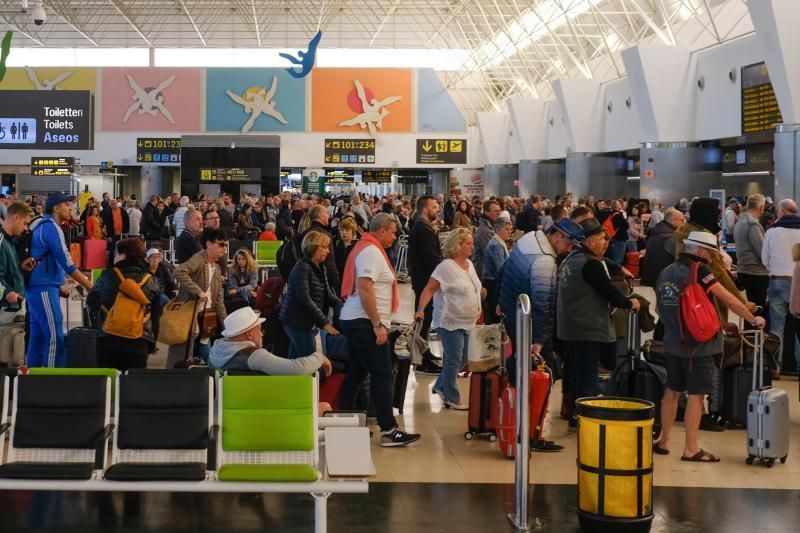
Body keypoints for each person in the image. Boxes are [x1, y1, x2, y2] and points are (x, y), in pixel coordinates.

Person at [654, 231, 765, 462]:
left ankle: (664, 441)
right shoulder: (700, 270)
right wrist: (752, 319)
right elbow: (727, 298)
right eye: (712, 253)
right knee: (696, 396)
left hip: (673, 341)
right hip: (698, 345)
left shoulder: (666, 271)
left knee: (671, 391)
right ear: (702, 251)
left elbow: (659, 309)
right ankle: (691, 448)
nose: (713, 258)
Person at [339, 213, 421, 447]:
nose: (395, 238)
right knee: (382, 373)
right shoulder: (371, 252)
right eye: (393, 233)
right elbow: (365, 289)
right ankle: (389, 429)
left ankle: (345, 422)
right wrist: (377, 324)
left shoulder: (368, 248)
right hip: (364, 322)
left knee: (356, 372)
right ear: (382, 230)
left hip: (356, 319)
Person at [557, 218, 640, 431]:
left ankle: (573, 413)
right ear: (591, 241)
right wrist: (629, 302)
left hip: (569, 327)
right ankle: (581, 418)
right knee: (586, 377)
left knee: (575, 373)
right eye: (603, 239)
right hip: (587, 329)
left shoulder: (570, 259)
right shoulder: (590, 264)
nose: (606, 243)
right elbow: (609, 292)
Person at [415, 228, 483, 410]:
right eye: (468, 243)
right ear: (457, 245)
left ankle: (440, 386)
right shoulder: (445, 267)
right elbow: (429, 288)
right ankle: (452, 398)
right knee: (453, 359)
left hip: (468, 321)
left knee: (463, 359)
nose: (472, 247)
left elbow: (474, 286)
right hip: (450, 321)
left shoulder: (469, 264)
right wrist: (421, 309)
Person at [27, 193, 94, 367]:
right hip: (43, 288)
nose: (70, 208)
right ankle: (51, 380)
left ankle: (32, 381)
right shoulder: (51, 227)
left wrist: (57, 286)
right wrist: (90, 285)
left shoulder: (42, 225)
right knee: (55, 338)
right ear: (56, 208)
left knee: (39, 338)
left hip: (39, 288)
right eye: (66, 204)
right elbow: (67, 262)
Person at [87, 238, 161, 371]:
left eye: (117, 253)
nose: (114, 256)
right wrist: (151, 343)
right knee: (133, 385)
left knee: (108, 385)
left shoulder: (107, 275)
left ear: (124, 255)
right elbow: (155, 315)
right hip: (138, 341)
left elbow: (91, 301)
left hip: (108, 339)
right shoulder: (151, 280)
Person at [209, 307, 333, 385]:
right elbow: (297, 369)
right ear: (250, 334)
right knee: (324, 408)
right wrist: (320, 357)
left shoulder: (216, 350)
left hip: (225, 407)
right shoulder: (253, 356)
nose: (262, 334)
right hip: (261, 407)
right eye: (259, 329)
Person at [168, 228, 228, 368]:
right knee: (181, 356)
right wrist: (198, 291)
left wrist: (227, 325)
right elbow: (178, 271)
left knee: (205, 351)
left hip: (206, 319)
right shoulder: (199, 259)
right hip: (188, 317)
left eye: (225, 245)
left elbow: (219, 301)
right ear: (208, 244)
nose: (224, 249)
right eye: (221, 244)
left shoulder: (217, 269)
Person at [280, 231, 341, 358]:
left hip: (303, 321)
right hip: (296, 321)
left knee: (295, 360)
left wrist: (343, 304)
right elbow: (305, 299)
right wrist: (324, 322)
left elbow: (327, 294)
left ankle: (290, 377)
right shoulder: (302, 268)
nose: (328, 251)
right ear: (313, 247)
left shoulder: (320, 267)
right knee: (309, 359)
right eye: (324, 247)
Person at [762, 198, 800, 375]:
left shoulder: (772, 231)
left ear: (783, 211)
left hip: (778, 280)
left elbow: (765, 258)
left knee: (777, 326)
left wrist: (774, 270)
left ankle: (775, 367)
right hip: (798, 281)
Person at [408, 196, 443, 376]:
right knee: (423, 319)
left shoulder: (424, 227)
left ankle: (425, 353)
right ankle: (422, 359)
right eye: (434, 207)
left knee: (426, 320)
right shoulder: (423, 230)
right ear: (424, 209)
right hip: (424, 282)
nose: (438, 209)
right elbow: (431, 259)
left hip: (423, 281)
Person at [0, 202, 34, 325]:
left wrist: (20, 267)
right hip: (5, 308)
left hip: (14, 306)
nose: (25, 228)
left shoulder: (11, 241)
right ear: (16, 218)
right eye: (25, 223)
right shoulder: (2, 242)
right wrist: (7, 292)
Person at [734, 194, 769, 311]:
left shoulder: (739, 221)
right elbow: (762, 251)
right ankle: (756, 329)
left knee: (749, 308)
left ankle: (750, 328)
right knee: (758, 308)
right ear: (761, 207)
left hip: (743, 269)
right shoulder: (753, 224)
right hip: (756, 272)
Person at [641, 208, 685, 287]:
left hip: (650, 277)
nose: (684, 223)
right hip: (662, 281)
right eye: (682, 220)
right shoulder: (669, 237)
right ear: (673, 220)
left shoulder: (658, 230)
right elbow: (681, 258)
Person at [481, 219, 512, 325]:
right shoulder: (496, 245)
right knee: (494, 317)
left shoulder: (499, 242)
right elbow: (500, 269)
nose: (509, 232)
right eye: (507, 229)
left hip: (493, 282)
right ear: (498, 230)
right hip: (492, 283)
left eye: (510, 230)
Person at [472, 200, 501, 278]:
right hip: (484, 272)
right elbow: (491, 253)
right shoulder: (485, 230)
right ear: (486, 212)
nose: (499, 214)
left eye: (499, 211)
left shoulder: (491, 225)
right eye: (495, 211)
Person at [334, 217, 358, 295]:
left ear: (353, 232)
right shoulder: (336, 245)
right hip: (338, 281)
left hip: (351, 281)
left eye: (347, 230)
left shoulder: (357, 247)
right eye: (342, 230)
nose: (344, 232)